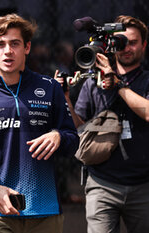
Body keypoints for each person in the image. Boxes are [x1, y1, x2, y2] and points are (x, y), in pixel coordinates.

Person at [0, 14, 79, 233]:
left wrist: (59, 136)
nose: (7, 51)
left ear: (27, 47)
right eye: (0, 44)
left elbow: (73, 141)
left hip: (46, 210)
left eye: (15, 44)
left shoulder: (50, 88)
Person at [70, 15, 149, 233]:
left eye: (132, 42)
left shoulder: (146, 80)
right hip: (102, 183)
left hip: (144, 184)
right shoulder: (92, 82)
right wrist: (65, 98)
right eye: (119, 42)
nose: (125, 48)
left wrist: (118, 84)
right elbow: (80, 127)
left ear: (144, 44)